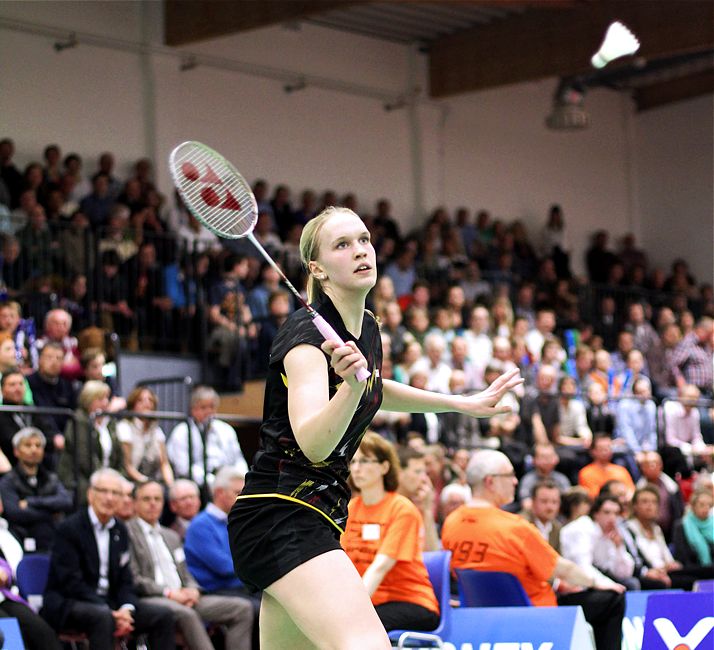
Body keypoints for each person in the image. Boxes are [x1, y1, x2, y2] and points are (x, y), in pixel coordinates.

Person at [226, 207, 523, 649]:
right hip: (281, 513)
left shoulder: (365, 327)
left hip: (317, 515)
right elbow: (313, 443)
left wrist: (462, 404)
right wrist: (348, 388)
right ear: (318, 270)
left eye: (364, 240)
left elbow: (376, 388)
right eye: (342, 245)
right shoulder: (305, 340)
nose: (360, 251)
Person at [442, 450, 625, 650]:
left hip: (481, 613)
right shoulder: (514, 527)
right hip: (534, 611)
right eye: (509, 475)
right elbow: (562, 570)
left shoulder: (451, 522)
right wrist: (596, 582)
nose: (514, 481)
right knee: (613, 599)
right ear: (490, 482)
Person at [41, 468, 176, 650]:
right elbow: (71, 582)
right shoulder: (69, 528)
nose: (109, 498)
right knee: (102, 616)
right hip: (70, 603)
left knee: (163, 615)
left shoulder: (120, 529)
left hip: (110, 604)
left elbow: (125, 581)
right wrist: (112, 612)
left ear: (122, 499)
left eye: (116, 493)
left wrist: (126, 609)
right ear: (90, 494)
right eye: (103, 491)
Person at [127, 481, 254, 650]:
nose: (152, 503)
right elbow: (135, 578)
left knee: (242, 608)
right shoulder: (127, 532)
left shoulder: (170, 535)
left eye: (157, 499)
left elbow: (185, 572)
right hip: (156, 597)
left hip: (185, 595)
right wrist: (170, 593)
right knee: (188, 614)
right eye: (146, 499)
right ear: (135, 503)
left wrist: (193, 590)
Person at [341, 432, 440, 632]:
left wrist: (352, 609)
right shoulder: (351, 508)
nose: (357, 468)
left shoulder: (402, 509)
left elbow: (381, 566)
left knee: (358, 626)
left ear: (384, 467)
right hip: (370, 601)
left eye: (365, 461)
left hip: (410, 601)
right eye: (354, 461)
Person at [0, 427, 73, 552]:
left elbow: (66, 501)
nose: (34, 449)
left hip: (51, 540)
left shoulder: (51, 478)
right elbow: (14, 513)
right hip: (20, 540)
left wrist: (31, 502)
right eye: (28, 445)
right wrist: (51, 513)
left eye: (38, 445)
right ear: (16, 451)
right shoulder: (8, 481)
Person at [167, 385, 248, 490]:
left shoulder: (226, 429)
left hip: (226, 480)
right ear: (193, 410)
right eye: (203, 407)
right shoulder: (181, 432)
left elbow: (238, 459)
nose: (208, 411)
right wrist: (213, 482)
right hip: (197, 484)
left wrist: (242, 478)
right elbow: (184, 468)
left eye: (212, 407)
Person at [58, 380, 124, 502]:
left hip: (107, 479)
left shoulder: (110, 422)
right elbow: (85, 460)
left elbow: (119, 456)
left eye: (106, 398)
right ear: (88, 400)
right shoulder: (78, 421)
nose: (105, 402)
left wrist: (118, 478)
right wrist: (106, 481)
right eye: (100, 399)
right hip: (82, 480)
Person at [116, 386, 174, 486]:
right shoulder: (125, 427)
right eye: (140, 400)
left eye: (150, 400)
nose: (146, 403)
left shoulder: (156, 431)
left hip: (153, 481)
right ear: (132, 405)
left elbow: (164, 463)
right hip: (129, 481)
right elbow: (128, 466)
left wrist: (172, 486)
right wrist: (146, 482)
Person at [578, 434, 635, 501]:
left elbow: (631, 491)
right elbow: (592, 496)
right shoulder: (586, 473)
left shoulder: (621, 470)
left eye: (608, 447)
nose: (605, 451)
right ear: (592, 451)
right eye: (601, 448)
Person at [518, 443, 571, 512]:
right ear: (534, 460)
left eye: (550, 457)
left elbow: (568, 504)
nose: (547, 460)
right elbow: (526, 504)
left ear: (556, 458)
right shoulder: (528, 480)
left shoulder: (562, 479)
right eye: (543, 457)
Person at [672, 488, 714, 569]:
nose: (706, 508)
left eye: (709, 505)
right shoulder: (681, 526)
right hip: (691, 569)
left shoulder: (712, 523)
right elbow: (681, 556)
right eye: (701, 504)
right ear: (693, 506)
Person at [522, 480, 563, 552]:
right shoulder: (522, 524)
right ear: (533, 502)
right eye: (544, 501)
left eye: (554, 502)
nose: (550, 507)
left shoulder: (557, 528)